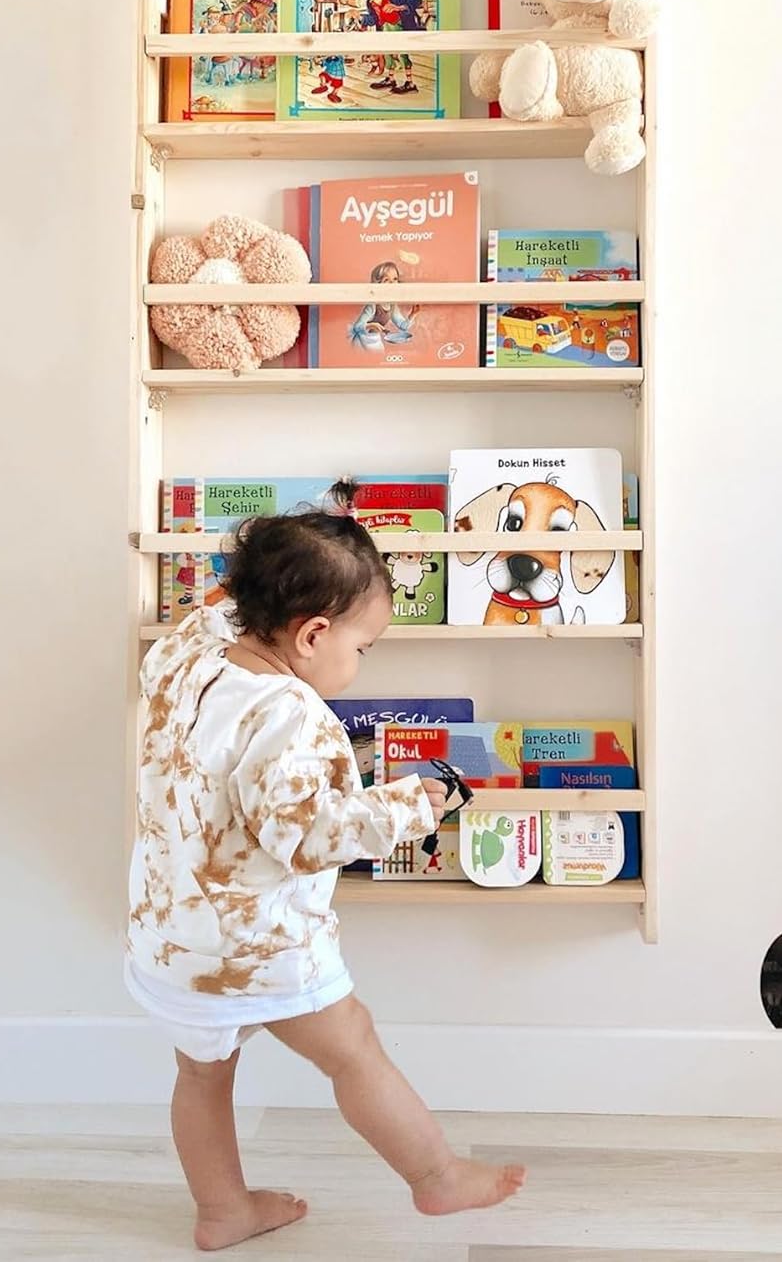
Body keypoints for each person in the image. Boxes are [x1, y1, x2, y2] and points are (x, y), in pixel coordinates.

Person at [126, 511, 525, 1250]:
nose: (360, 660)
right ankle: (435, 1176)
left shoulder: (186, 654)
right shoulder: (287, 715)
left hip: (173, 935)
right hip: (256, 946)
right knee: (353, 1049)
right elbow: (306, 838)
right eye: (362, 646)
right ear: (311, 636)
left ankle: (223, 1210)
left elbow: (212, 608)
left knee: (202, 1078)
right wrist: (406, 804)